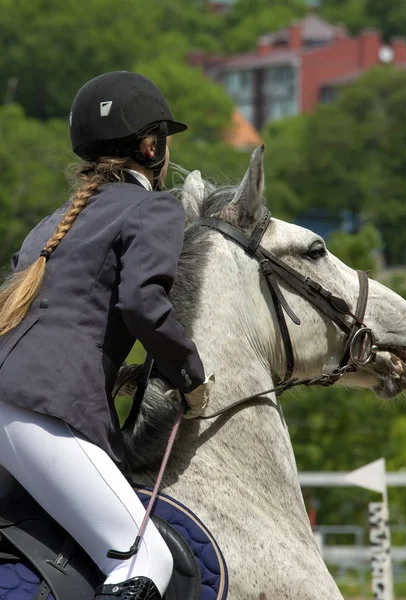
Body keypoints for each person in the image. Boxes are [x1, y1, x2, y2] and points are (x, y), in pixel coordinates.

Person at [0, 71, 212, 600]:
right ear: (150, 145)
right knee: (144, 560)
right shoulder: (153, 207)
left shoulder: (50, 222)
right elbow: (143, 304)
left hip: (17, 396)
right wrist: (190, 377)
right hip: (39, 410)